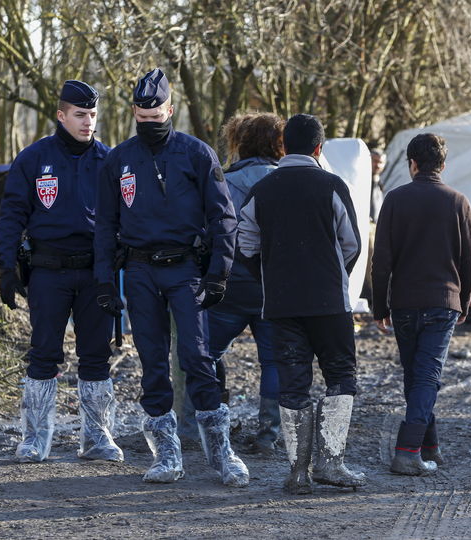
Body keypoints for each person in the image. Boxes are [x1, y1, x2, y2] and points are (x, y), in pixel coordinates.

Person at [93, 68, 248, 487]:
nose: (149, 125)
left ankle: (223, 454)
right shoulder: (118, 159)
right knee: (152, 360)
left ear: (170, 110)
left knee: (198, 357)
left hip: (185, 269)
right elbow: (105, 224)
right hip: (139, 269)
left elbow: (223, 217)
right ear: (133, 114)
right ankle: (166, 456)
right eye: (142, 119)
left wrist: (219, 273)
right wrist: (105, 281)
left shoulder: (197, 154)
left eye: (156, 117)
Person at [236, 113, 366, 495]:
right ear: (318, 148)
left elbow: (244, 246)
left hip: (281, 303)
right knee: (340, 375)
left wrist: (270, 275)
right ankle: (332, 463)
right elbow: (352, 244)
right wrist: (332, 273)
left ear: (284, 146)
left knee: (293, 384)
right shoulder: (331, 185)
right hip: (329, 302)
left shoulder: (263, 189)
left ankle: (297, 473)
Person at [0, 80, 122, 464]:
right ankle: (36, 439)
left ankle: (98, 439)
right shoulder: (34, 159)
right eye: (80, 115)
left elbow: (127, 217)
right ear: (61, 115)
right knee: (44, 355)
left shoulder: (110, 160)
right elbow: (12, 214)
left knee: (96, 356)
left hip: (95, 271)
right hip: (48, 270)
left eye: (93, 116)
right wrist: (6, 265)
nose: (88, 123)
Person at [372, 133, 471, 476]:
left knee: (416, 376)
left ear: (412, 164)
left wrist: (379, 306)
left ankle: (429, 446)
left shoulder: (394, 199)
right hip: (442, 302)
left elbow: (381, 261)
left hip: (403, 302)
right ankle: (407, 451)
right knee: (426, 376)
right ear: (443, 166)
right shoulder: (459, 202)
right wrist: (463, 301)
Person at [209, 112, 285, 456]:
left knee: (206, 352)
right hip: (274, 286)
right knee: (273, 360)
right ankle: (268, 435)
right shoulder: (290, 180)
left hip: (231, 283)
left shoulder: (223, 181)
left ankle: (214, 421)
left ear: (238, 141)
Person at [360, 148, 386, 307]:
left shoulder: (379, 183)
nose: (377, 165)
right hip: (366, 226)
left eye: (380, 162)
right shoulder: (363, 181)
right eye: (375, 161)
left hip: (377, 226)